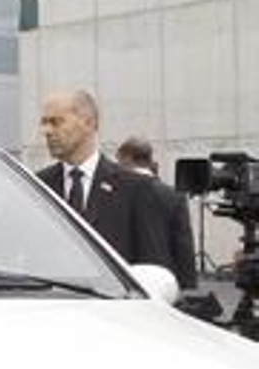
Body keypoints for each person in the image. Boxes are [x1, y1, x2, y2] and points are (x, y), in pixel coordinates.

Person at [36, 90, 172, 269]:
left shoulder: (135, 189)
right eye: (44, 123)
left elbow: (154, 269)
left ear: (89, 123)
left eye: (56, 122)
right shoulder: (38, 187)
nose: (46, 131)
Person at [117, 136, 197, 290]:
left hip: (124, 276)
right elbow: (183, 243)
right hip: (163, 278)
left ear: (126, 158)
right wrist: (188, 285)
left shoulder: (116, 191)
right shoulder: (174, 195)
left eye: (119, 159)